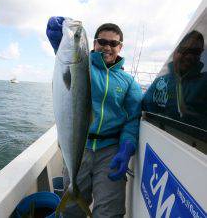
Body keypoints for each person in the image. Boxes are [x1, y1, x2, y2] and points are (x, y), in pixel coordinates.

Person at [47, 16, 142, 218]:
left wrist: (127, 146)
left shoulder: (128, 82)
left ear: (120, 47)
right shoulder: (83, 65)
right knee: (72, 211)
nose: (107, 47)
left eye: (113, 43)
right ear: (94, 43)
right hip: (79, 146)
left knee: (110, 211)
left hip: (111, 150)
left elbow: (133, 119)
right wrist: (59, 43)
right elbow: (68, 64)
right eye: (102, 42)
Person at [143, 30, 207, 129]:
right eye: (185, 50)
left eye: (196, 52)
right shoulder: (160, 81)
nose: (190, 56)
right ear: (175, 51)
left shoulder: (204, 82)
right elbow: (145, 105)